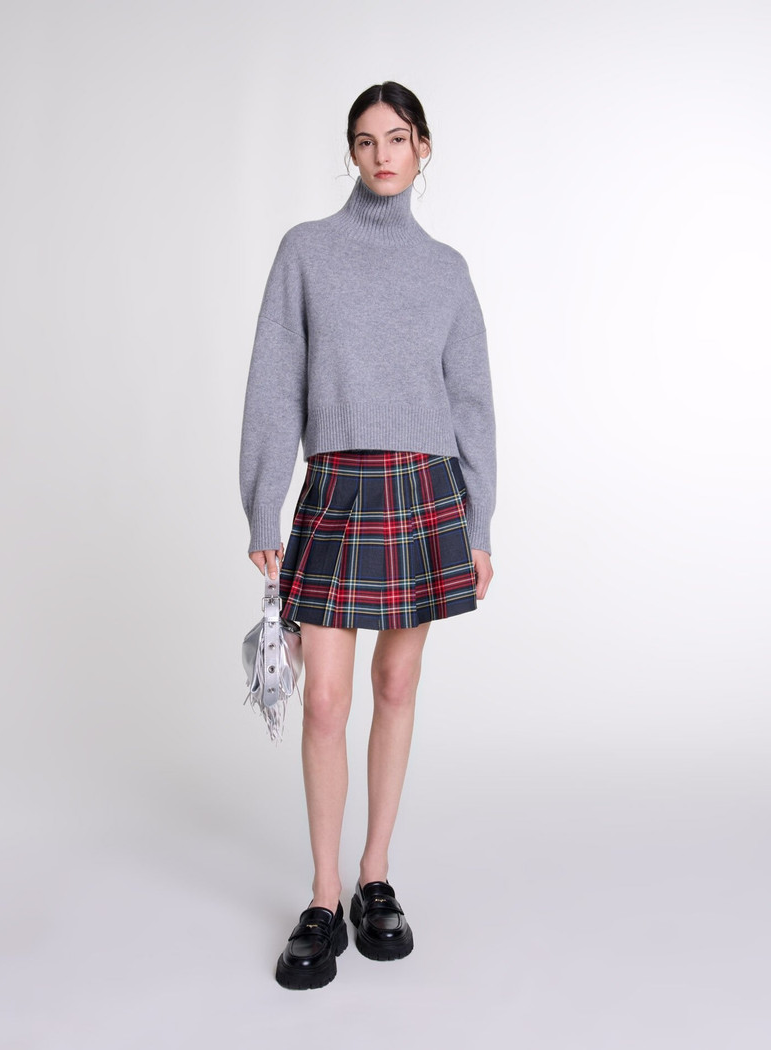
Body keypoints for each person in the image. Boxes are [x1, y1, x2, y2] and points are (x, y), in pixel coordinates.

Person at [239, 81, 496, 989]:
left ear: (424, 148)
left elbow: (472, 403)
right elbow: (275, 379)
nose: (382, 154)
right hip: (337, 493)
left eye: (398, 137)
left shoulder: (448, 270)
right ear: (350, 153)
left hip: (425, 493)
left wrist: (480, 522)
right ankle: (321, 895)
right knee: (323, 701)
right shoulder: (306, 251)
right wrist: (263, 502)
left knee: (396, 683)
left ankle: (374, 876)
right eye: (364, 140)